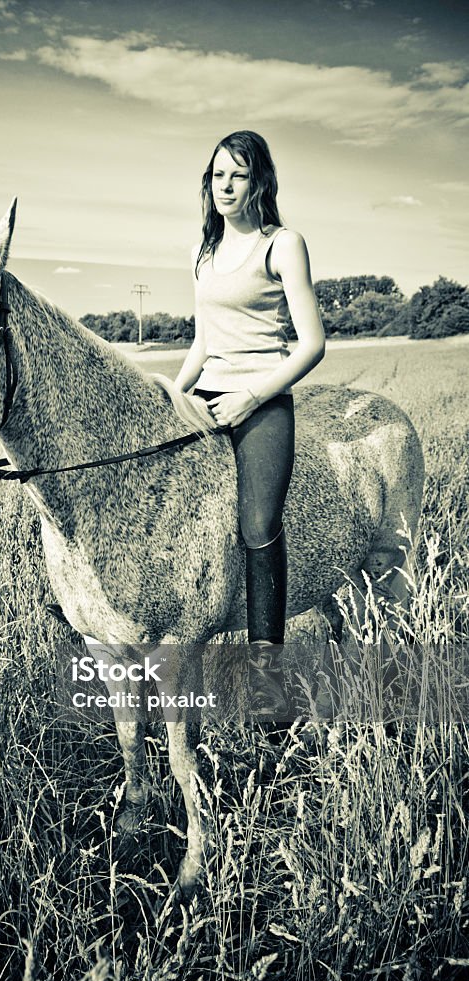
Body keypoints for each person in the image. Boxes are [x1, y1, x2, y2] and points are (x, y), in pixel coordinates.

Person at [174, 130, 325, 721]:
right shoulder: (200, 252)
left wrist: (251, 396)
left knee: (258, 526)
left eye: (237, 175)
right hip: (206, 398)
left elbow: (312, 344)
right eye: (216, 176)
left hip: (262, 400)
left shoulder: (283, 244)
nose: (225, 186)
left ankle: (268, 679)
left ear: (260, 181)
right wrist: (175, 392)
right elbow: (203, 340)